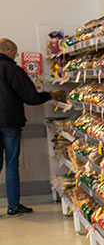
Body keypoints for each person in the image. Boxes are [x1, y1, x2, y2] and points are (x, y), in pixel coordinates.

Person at [0, 38, 62, 216]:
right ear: (9, 50)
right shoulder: (12, 69)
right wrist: (50, 94)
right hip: (10, 123)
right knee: (11, 164)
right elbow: (31, 98)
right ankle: (13, 206)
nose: (16, 57)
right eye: (16, 53)